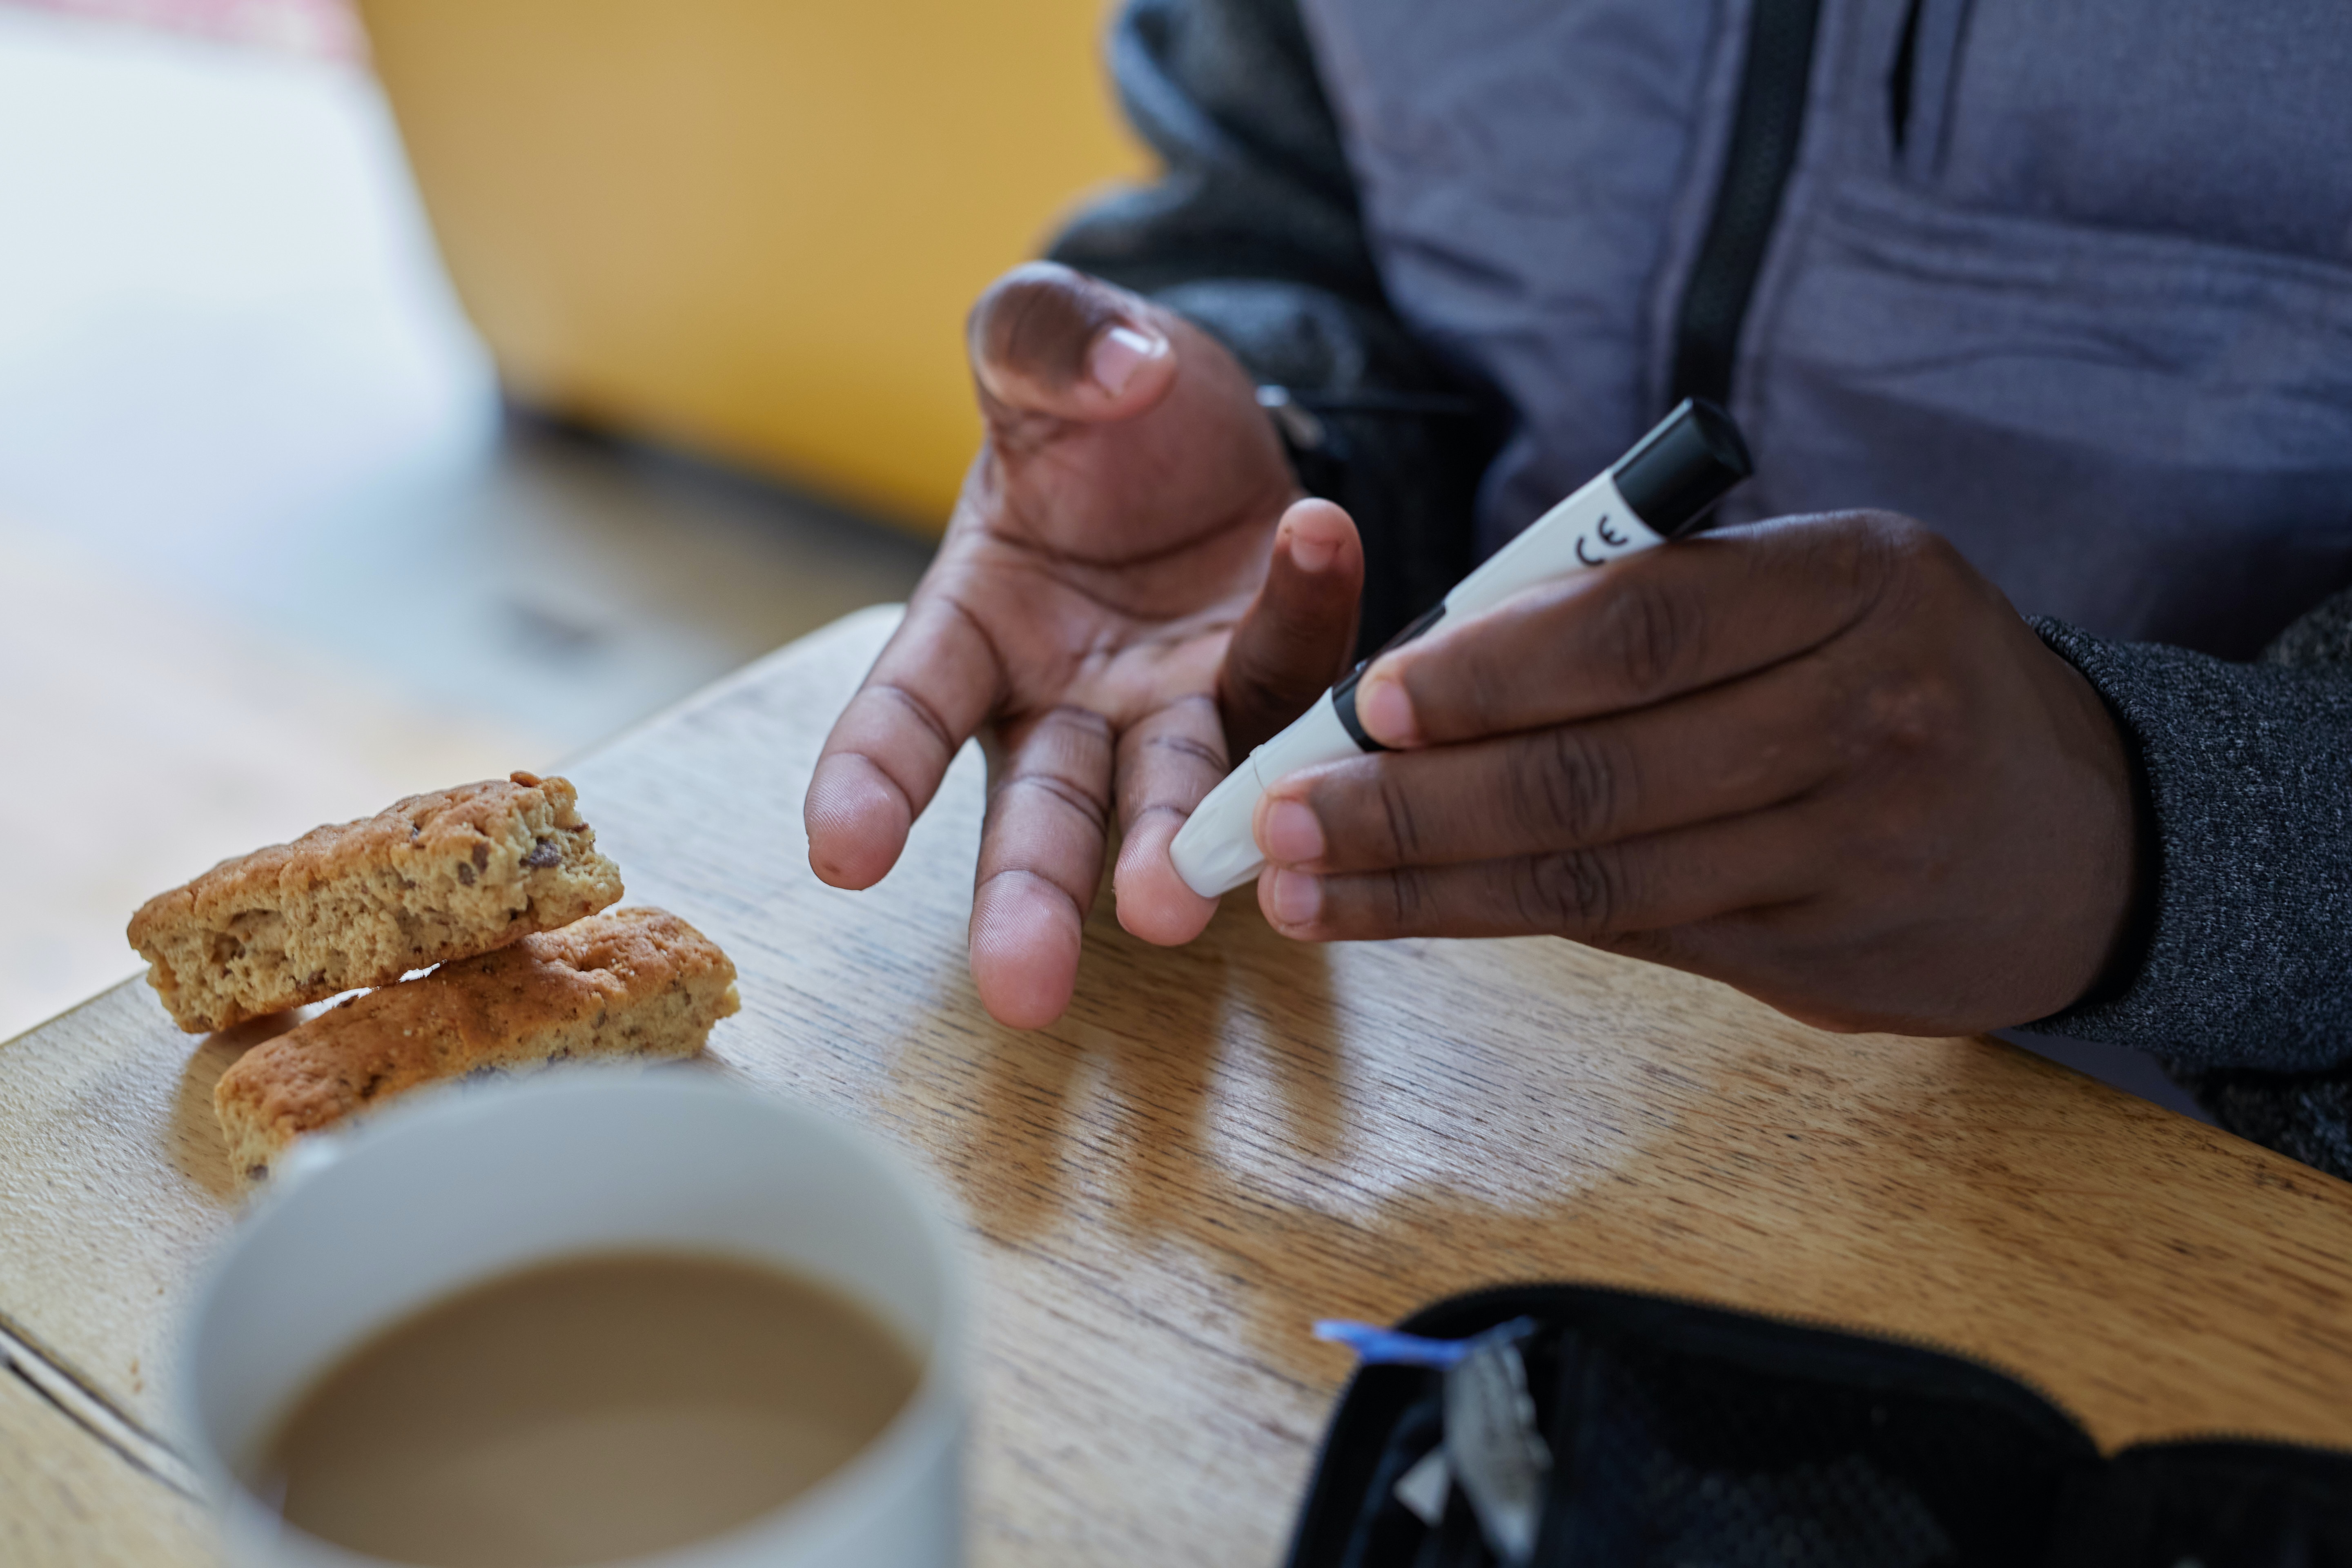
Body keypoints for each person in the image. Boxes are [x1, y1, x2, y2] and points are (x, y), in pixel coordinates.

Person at [804, 0, 2352, 1175]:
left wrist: (2167, 837)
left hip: (2216, 1207)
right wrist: (1297, 434)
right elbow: (1281, 184)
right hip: (1502, 1091)